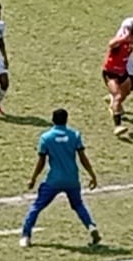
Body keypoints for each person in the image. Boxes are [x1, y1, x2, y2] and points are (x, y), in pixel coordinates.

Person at [19, 107, 100, 249]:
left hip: (54, 180)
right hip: (72, 179)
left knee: (37, 207)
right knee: (78, 205)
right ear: (66, 120)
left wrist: (33, 178)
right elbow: (83, 158)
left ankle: (26, 236)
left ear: (52, 120)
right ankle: (91, 226)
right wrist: (92, 174)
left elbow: (41, 162)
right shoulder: (75, 135)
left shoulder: (46, 138)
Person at [102, 5, 133, 129]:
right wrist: (124, 38)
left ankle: (115, 101)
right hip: (111, 71)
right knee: (118, 95)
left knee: (131, 87)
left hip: (123, 68)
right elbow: (112, 44)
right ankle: (117, 123)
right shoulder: (127, 27)